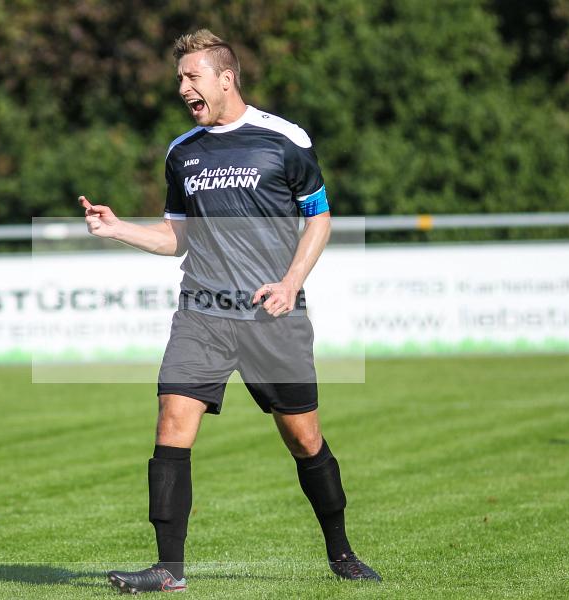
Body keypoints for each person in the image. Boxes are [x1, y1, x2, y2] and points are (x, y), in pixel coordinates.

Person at [79, 29, 381, 594]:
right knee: (172, 422)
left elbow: (319, 219)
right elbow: (178, 238)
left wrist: (291, 283)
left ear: (226, 78)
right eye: (179, 79)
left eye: (192, 77)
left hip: (272, 315)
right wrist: (118, 229)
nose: (183, 88)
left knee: (304, 439)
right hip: (203, 313)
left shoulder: (285, 139)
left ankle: (341, 552)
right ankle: (168, 569)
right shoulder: (181, 152)